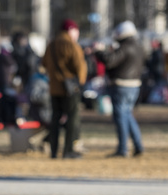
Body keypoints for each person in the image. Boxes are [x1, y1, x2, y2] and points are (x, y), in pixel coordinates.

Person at [95, 20, 144, 157]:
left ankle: (123, 149)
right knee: (128, 115)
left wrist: (99, 52)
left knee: (121, 116)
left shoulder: (125, 47)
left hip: (122, 85)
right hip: (134, 85)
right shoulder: (139, 46)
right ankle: (138, 145)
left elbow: (110, 61)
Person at [41, 19, 87, 159]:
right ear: (70, 30)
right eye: (76, 30)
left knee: (55, 119)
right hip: (70, 89)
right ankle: (68, 151)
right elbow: (80, 67)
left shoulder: (51, 45)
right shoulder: (71, 45)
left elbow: (44, 63)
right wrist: (80, 83)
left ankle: (53, 151)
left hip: (54, 88)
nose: (77, 33)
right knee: (72, 119)